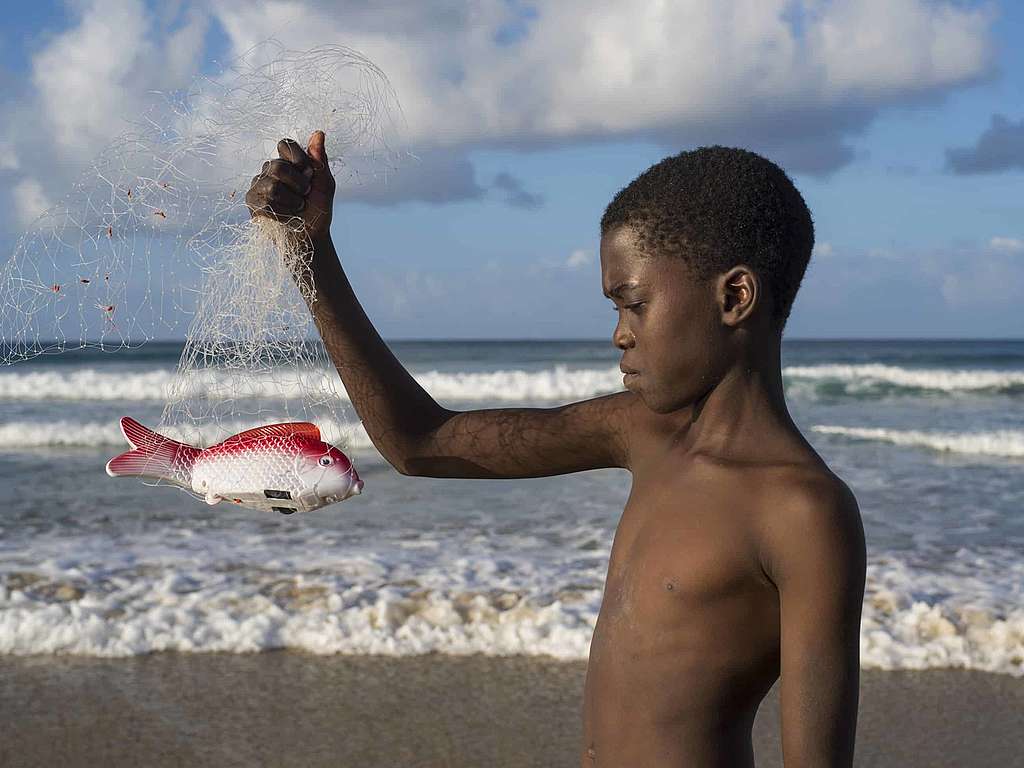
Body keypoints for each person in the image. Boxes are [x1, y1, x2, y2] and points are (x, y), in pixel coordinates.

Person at [246, 131, 867, 767]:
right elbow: (420, 443)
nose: (619, 335)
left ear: (734, 297)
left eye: (634, 304)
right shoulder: (643, 431)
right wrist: (311, 252)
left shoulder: (802, 513)